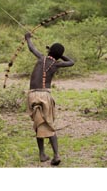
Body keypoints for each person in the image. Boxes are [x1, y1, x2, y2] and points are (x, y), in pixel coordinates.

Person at [25, 32, 74, 166]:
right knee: (49, 123)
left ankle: (42, 154)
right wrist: (60, 55)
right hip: (45, 95)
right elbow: (71, 62)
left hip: (33, 95)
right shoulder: (57, 64)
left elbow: (31, 48)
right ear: (58, 56)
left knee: (38, 123)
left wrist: (28, 38)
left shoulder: (41, 58)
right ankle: (56, 154)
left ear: (49, 51)